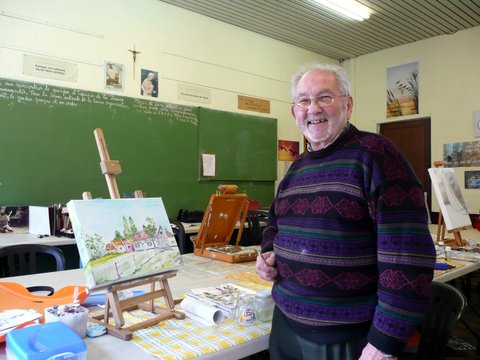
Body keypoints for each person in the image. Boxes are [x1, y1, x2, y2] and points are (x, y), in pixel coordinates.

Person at [256, 63, 436, 360]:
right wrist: (269, 254)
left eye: (324, 97)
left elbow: (408, 258)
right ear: (294, 112)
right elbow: (275, 226)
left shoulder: (376, 156)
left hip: (349, 336)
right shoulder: (296, 169)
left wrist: (384, 342)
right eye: (303, 100)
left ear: (348, 105)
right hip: (286, 326)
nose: (313, 108)